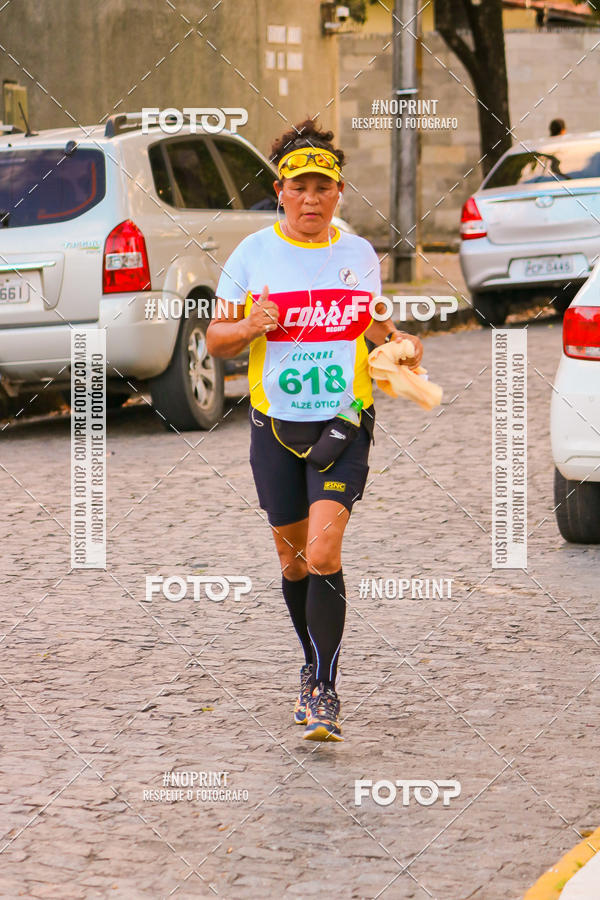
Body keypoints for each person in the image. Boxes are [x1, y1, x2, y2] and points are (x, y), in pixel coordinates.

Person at [206, 118, 423, 742]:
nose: (310, 199)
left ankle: (325, 688)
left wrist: (401, 344)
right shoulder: (253, 254)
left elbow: (373, 324)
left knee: (325, 551)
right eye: (298, 187)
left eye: (321, 188)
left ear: (338, 193)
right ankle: (309, 663)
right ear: (279, 191)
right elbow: (216, 339)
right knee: (294, 559)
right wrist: (250, 326)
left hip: (344, 420)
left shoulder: (357, 254)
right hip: (275, 425)